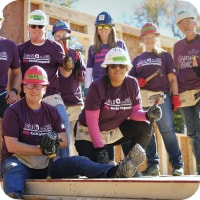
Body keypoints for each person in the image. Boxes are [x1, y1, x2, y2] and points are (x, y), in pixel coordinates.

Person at [1, 65, 147, 199]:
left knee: (80, 162)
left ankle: (115, 171)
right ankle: (14, 196)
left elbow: (64, 141)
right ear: (24, 88)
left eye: (39, 87)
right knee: (11, 169)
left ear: (45, 89)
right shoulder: (13, 112)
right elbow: (12, 146)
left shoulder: (52, 111)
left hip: (47, 165)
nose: (34, 90)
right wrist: (41, 149)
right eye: (30, 86)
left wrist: (53, 139)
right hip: (20, 162)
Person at [75, 47, 162, 167]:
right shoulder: (97, 86)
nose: (117, 68)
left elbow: (135, 112)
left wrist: (147, 114)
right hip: (88, 133)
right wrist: (99, 148)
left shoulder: (132, 84)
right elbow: (92, 121)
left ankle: (129, 166)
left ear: (127, 68)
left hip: (112, 132)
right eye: (113, 65)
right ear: (107, 68)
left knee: (145, 126)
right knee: (96, 171)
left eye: (121, 65)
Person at [129, 22, 184, 176]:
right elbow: (130, 82)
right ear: (142, 39)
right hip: (143, 98)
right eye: (146, 37)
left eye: (152, 37)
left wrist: (175, 96)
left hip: (160, 97)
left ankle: (178, 164)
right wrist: (137, 82)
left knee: (167, 130)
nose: (149, 40)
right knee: (147, 132)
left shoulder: (165, 56)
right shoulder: (137, 59)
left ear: (156, 37)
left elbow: (172, 79)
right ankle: (153, 166)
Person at [17, 10, 70, 157]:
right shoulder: (20, 49)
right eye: (33, 26)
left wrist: (69, 65)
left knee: (63, 122)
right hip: (28, 96)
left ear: (45, 28)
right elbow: (14, 74)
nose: (36, 29)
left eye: (40, 26)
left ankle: (65, 163)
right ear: (28, 27)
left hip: (50, 94)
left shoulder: (55, 47)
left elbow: (65, 73)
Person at [84, 11, 128, 163]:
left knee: (122, 123)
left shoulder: (119, 44)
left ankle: (128, 161)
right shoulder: (92, 49)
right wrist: (87, 90)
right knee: (103, 125)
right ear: (96, 28)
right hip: (98, 91)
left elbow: (125, 66)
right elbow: (88, 71)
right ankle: (108, 161)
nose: (103, 29)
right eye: (100, 26)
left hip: (117, 88)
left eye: (106, 26)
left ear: (111, 28)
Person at [52, 20, 86, 156]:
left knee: (75, 139)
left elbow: (83, 78)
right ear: (53, 37)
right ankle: (65, 167)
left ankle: (77, 167)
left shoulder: (75, 54)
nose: (61, 38)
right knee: (63, 138)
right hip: (57, 102)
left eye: (64, 35)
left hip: (75, 103)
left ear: (69, 36)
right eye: (58, 35)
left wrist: (77, 68)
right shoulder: (51, 55)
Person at [173, 10, 200, 175]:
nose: (185, 25)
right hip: (184, 94)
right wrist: (175, 95)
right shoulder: (177, 46)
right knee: (192, 132)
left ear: (195, 22)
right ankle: (199, 169)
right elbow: (176, 71)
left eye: (188, 21)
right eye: (181, 23)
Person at [0, 11, 22, 119]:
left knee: (17, 118)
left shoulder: (9, 45)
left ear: (2, 21)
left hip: (1, 95)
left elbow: (17, 72)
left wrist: (14, 91)